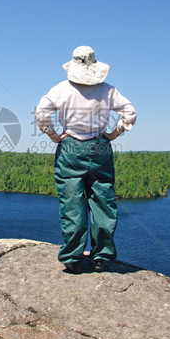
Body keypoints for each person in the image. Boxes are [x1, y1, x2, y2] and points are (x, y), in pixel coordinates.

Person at [35, 46, 137, 274]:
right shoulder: (107, 91)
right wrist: (114, 133)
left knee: (72, 202)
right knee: (103, 200)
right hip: (99, 146)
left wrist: (54, 136)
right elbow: (130, 112)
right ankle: (101, 257)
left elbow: (41, 112)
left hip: (70, 145)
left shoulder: (61, 89)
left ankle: (72, 257)